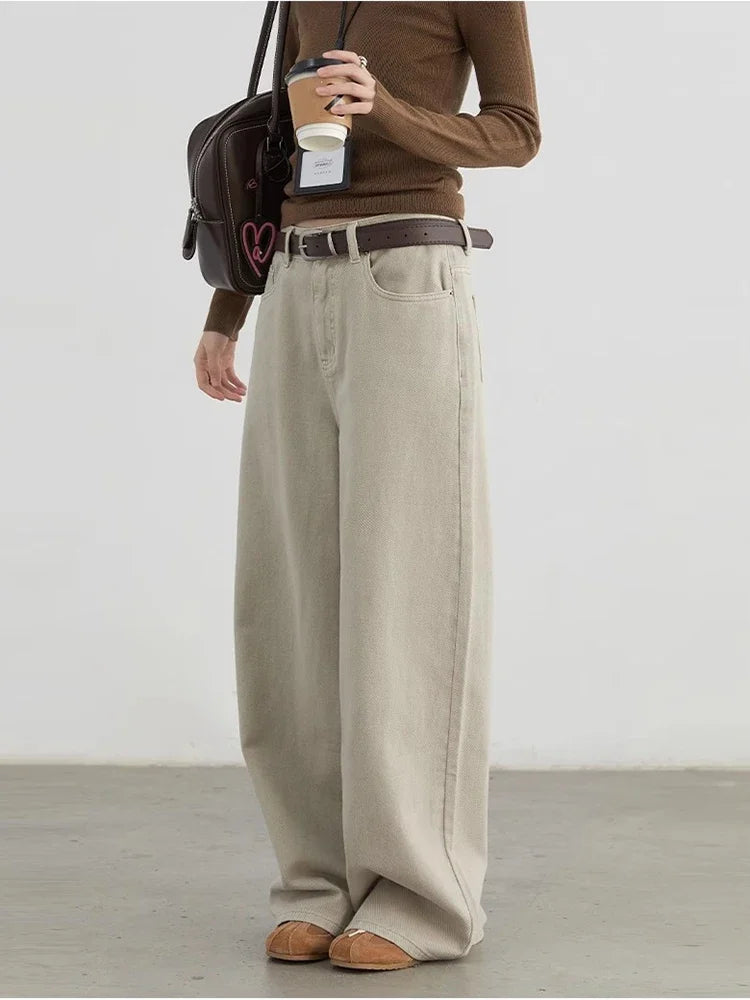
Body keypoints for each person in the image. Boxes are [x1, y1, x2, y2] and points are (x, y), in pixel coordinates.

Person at [193, 0, 540, 973]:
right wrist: (228, 308)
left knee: (406, 593)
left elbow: (516, 131)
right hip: (295, 281)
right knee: (290, 596)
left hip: (406, 275)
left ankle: (422, 894)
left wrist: (384, 108)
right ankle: (317, 881)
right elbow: (278, 150)